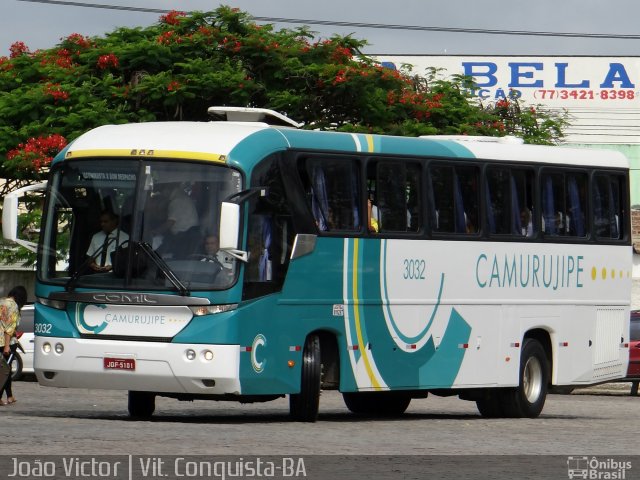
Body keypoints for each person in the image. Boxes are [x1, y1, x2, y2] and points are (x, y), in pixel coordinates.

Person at [0, 286, 28, 406]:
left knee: (5, 370)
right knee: (5, 371)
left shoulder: (1, 301)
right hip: (8, 342)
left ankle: (10, 396)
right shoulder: (14, 306)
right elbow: (9, 328)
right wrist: (7, 346)